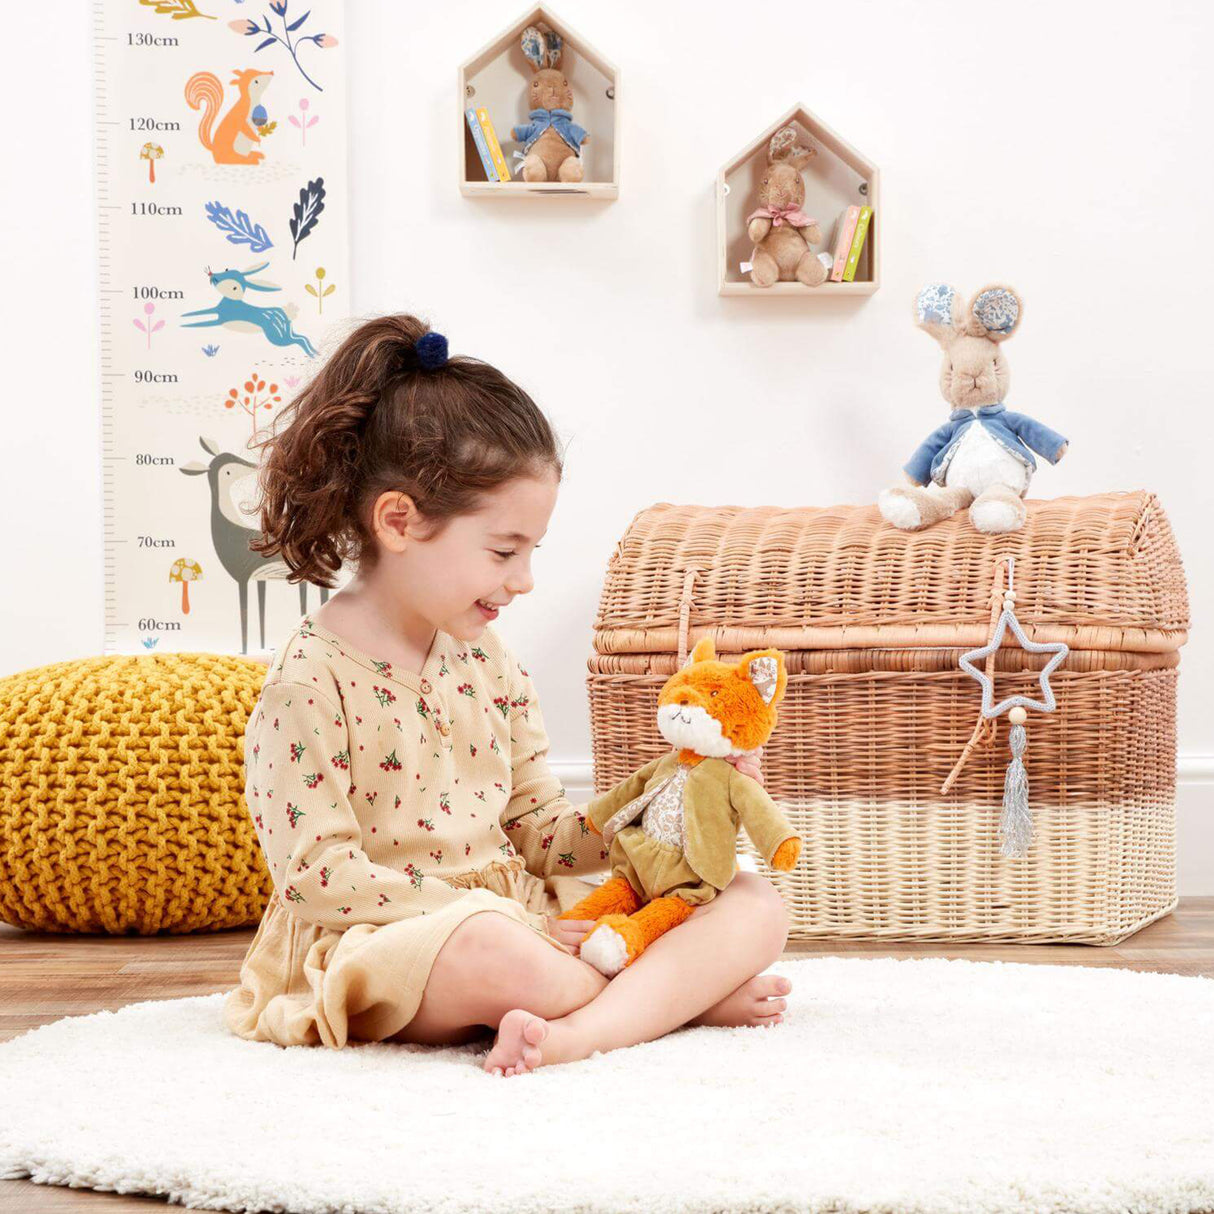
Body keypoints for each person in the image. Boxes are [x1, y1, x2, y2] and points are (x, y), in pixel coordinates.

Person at [222, 314, 793, 1076]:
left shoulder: (485, 659)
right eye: (503, 551)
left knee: (755, 904)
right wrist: (491, 916)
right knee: (498, 953)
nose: (523, 581)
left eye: (532, 551)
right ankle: (665, 1000)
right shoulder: (308, 682)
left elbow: (540, 833)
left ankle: (586, 1024)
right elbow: (320, 878)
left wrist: (665, 803)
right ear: (399, 521)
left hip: (528, 918)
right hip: (396, 937)